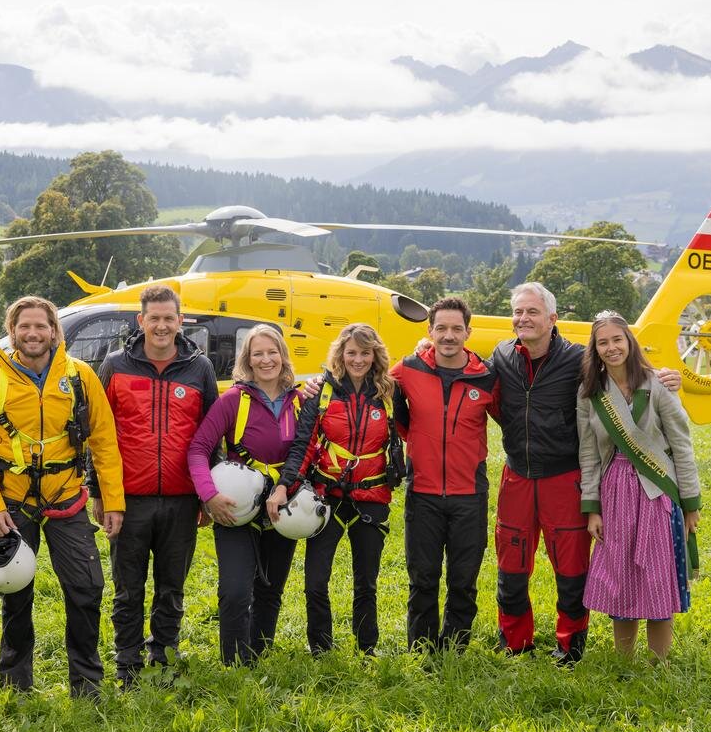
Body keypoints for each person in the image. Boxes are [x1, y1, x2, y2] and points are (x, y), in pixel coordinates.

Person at [490, 283, 680, 665]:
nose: (523, 319)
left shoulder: (579, 361)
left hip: (564, 477)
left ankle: (570, 646)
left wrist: (663, 378)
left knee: (572, 568)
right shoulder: (501, 355)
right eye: (518, 312)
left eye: (532, 312)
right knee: (512, 564)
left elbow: (623, 375)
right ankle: (515, 642)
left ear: (552, 318)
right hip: (517, 475)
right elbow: (472, 376)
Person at [0, 296, 124, 697]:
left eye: (41, 326)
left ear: (55, 331)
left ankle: (86, 682)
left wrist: (113, 501)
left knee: (86, 588)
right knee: (15, 589)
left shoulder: (80, 376)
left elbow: (104, 441)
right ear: (12, 331)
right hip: (13, 503)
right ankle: (15, 681)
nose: (33, 333)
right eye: (24, 326)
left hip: (67, 497)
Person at [98, 285, 218, 686]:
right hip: (128, 499)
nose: (162, 325)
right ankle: (127, 662)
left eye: (169, 318)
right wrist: (99, 493)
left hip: (182, 500)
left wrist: (206, 496)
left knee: (172, 586)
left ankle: (164, 654)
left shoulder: (200, 369)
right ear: (141, 321)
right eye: (155, 318)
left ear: (180, 321)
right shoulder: (115, 365)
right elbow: (98, 433)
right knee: (127, 589)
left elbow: (211, 436)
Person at [270, 323, 400, 655]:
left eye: (365, 353)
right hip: (326, 496)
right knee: (315, 581)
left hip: (372, 497)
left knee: (366, 582)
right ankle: (321, 648)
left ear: (375, 355)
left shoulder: (389, 393)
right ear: (341, 354)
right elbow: (303, 444)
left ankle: (367, 648)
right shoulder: (322, 392)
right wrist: (284, 485)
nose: (358, 360)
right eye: (351, 352)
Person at [577, 311, 701, 660]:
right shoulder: (590, 393)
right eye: (603, 342)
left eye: (617, 339)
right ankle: (623, 662)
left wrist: (691, 504)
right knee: (621, 576)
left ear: (630, 342)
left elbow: (682, 445)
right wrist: (592, 508)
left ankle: (659, 663)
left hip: (657, 490)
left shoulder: (657, 383)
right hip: (615, 492)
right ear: (595, 349)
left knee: (658, 575)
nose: (611, 347)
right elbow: (588, 453)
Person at [186, 324, 304, 665]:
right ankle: (234, 663)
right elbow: (198, 448)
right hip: (235, 505)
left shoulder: (300, 402)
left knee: (270, 588)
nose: (266, 360)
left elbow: (308, 451)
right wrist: (209, 496)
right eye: (258, 354)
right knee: (235, 591)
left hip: (282, 504)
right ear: (248, 360)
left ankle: (259, 654)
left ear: (283, 356)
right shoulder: (233, 400)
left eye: (272, 352)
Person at [390, 297, 499, 652]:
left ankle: (454, 647)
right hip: (422, 492)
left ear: (468, 332)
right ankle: (421, 648)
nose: (448, 335)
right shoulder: (408, 368)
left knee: (463, 580)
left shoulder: (487, 376)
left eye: (456, 329)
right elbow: (368, 383)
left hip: (470, 494)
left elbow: (517, 417)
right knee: (423, 578)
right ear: (430, 331)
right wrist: (317, 384)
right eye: (441, 328)